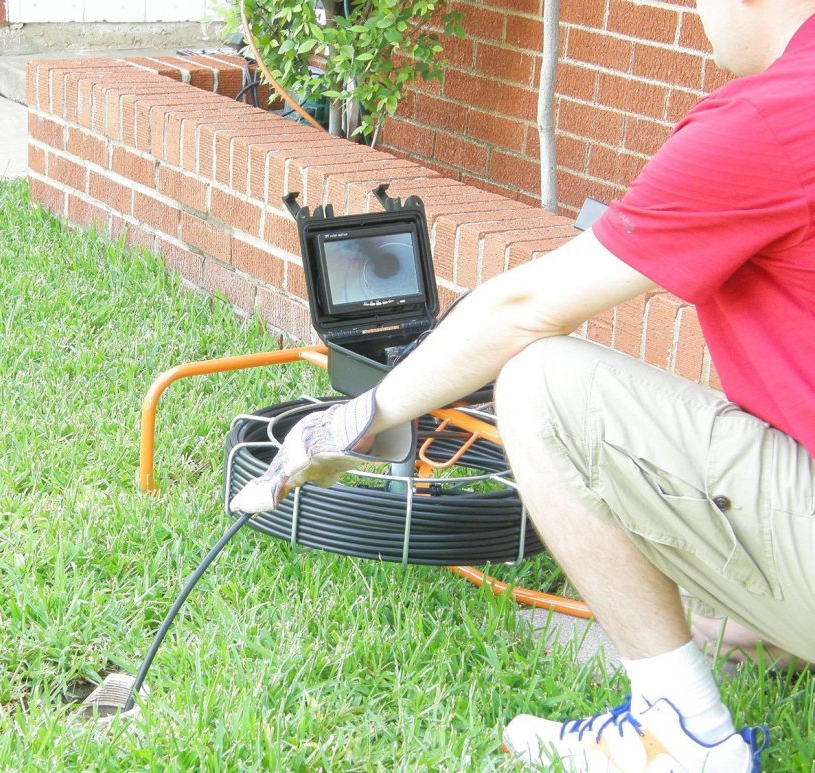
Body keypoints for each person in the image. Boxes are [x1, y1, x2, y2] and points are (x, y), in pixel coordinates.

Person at [230, 0, 815, 769]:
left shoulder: (775, 117)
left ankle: (678, 733)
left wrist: (361, 415)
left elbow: (524, 307)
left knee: (542, 381)